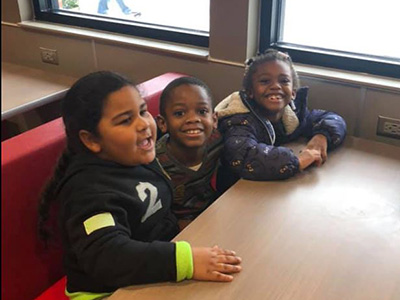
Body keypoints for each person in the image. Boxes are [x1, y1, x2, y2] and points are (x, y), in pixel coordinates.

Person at [38, 71, 242, 300]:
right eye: (126, 120)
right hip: (106, 291)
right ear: (91, 140)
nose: (144, 124)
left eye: (143, 111)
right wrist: (187, 260)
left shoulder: (134, 158)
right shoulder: (88, 192)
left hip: (148, 270)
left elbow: (156, 212)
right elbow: (108, 257)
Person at [215, 49, 347, 192]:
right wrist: (298, 161)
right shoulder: (239, 121)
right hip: (235, 193)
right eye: (265, 81)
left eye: (284, 81)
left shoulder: (294, 114)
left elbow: (332, 118)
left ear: (293, 93)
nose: (275, 86)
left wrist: (322, 136)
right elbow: (246, 156)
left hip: (272, 189)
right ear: (250, 92)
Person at [156, 77, 222, 230]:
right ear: (163, 123)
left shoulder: (217, 141)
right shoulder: (155, 163)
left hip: (213, 213)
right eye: (179, 113)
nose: (193, 119)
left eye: (202, 111)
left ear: (214, 119)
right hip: (174, 227)